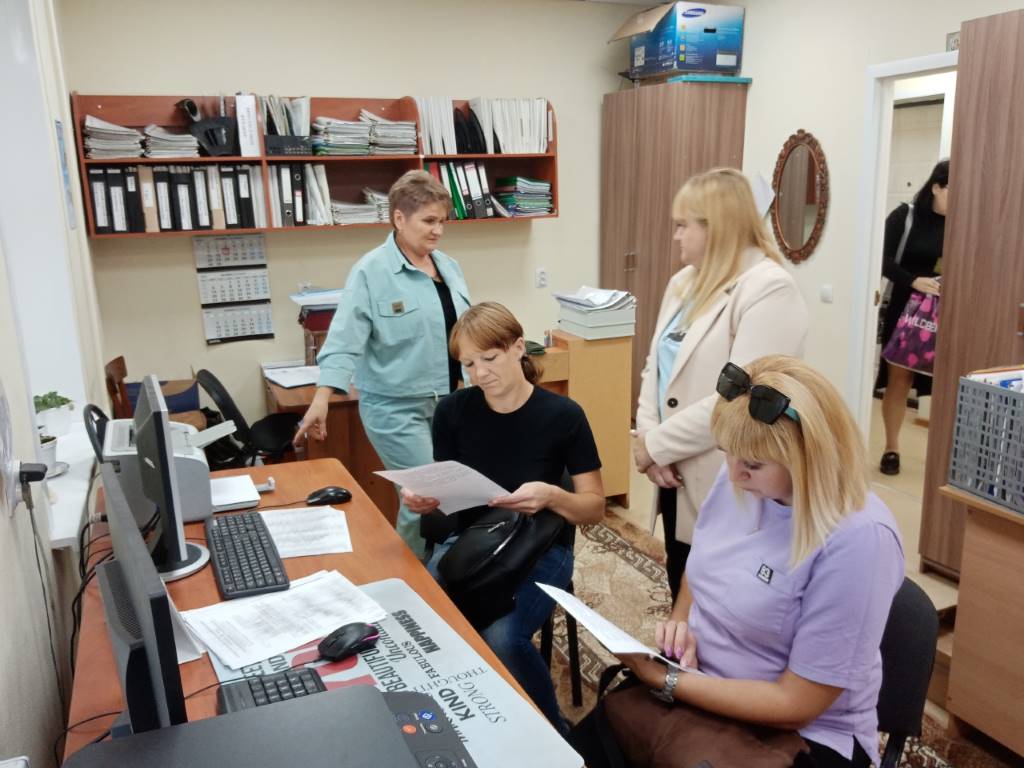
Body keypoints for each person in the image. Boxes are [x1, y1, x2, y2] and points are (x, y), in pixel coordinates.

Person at [615, 356, 905, 768]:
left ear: (807, 456)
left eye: (752, 464)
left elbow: (796, 705)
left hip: (799, 736)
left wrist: (669, 680)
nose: (734, 474)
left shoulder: (859, 540)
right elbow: (701, 566)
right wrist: (682, 626)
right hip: (702, 687)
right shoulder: (742, 477)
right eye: (727, 454)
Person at [402, 301, 605, 734]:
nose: (479, 374)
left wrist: (552, 495)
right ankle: (467, 724)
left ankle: (554, 739)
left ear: (518, 348)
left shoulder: (563, 416)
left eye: (489, 359)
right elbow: (446, 490)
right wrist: (425, 499)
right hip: (473, 541)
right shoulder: (453, 411)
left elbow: (594, 507)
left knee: (502, 639)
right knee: (423, 624)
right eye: (468, 364)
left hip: (542, 547)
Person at [633, 167, 808, 604]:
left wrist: (656, 445)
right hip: (674, 467)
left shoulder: (769, 289)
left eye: (683, 225)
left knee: (719, 599)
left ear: (717, 227)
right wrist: (650, 438)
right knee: (680, 577)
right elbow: (656, 368)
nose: (676, 235)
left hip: (729, 470)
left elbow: (741, 398)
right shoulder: (684, 283)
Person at [293, 170, 471, 559]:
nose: (438, 230)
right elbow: (344, 340)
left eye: (442, 221)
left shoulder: (449, 267)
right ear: (399, 218)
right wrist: (322, 398)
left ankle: (446, 572)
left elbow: (465, 334)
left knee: (455, 497)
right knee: (425, 497)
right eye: (429, 221)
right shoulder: (371, 272)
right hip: (396, 409)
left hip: (451, 404)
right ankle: (414, 578)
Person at [877, 159, 949, 476]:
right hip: (905, 310)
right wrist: (912, 280)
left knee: (944, 381)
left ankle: (944, 456)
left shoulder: (962, 223)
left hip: (944, 311)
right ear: (936, 187)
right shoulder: (904, 217)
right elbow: (880, 258)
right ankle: (891, 448)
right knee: (899, 381)